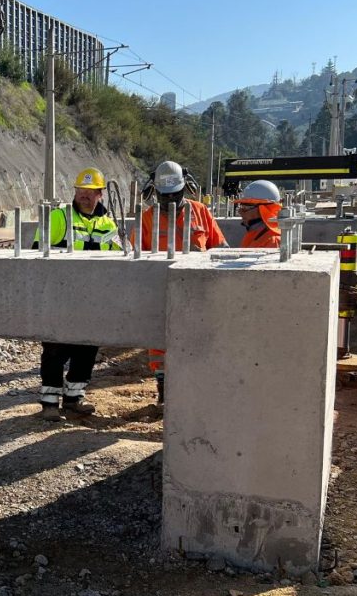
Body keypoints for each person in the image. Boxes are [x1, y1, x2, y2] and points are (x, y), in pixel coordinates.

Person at [136, 160, 228, 405]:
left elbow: (220, 247)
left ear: (184, 189)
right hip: (161, 291)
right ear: (155, 192)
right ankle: (164, 390)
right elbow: (135, 260)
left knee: (199, 342)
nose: (170, 202)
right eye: (164, 197)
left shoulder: (200, 212)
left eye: (174, 196)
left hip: (200, 292)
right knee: (160, 343)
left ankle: (197, 393)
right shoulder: (147, 219)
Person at [33, 168, 121, 421]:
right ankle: (49, 402)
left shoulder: (107, 223)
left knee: (86, 349)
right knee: (55, 349)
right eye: (80, 191)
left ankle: (74, 398)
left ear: (100, 194)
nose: (83, 196)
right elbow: (38, 253)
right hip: (60, 297)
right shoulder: (59, 217)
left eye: (89, 192)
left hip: (92, 299)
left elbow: (121, 257)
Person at [234, 180, 282, 248]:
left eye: (245, 208)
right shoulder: (255, 232)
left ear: (263, 210)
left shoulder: (273, 240)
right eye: (241, 206)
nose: (240, 212)